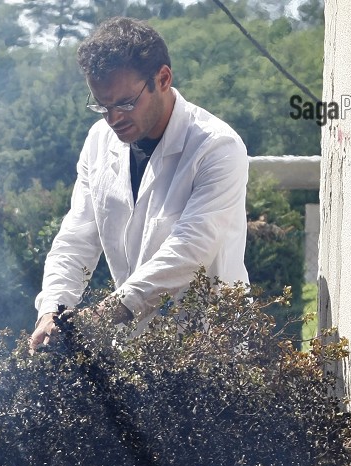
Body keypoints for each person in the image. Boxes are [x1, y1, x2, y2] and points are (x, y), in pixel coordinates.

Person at [30, 17, 249, 350]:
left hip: (212, 351)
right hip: (137, 353)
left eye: (126, 103)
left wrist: (105, 314)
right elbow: (76, 239)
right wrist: (52, 310)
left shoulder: (217, 147)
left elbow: (190, 250)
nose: (113, 118)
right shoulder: (98, 141)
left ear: (162, 78)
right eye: (102, 105)